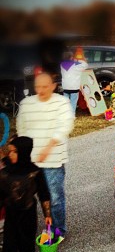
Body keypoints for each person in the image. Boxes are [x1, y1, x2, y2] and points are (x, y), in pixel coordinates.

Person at [16, 72, 74, 238]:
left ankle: (58, 229)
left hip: (53, 160)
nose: (40, 90)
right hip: (30, 161)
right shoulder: (27, 103)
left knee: (54, 198)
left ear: (53, 86)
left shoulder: (62, 102)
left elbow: (65, 126)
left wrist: (48, 147)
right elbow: (22, 129)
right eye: (37, 86)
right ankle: (33, 227)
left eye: (45, 86)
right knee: (27, 198)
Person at [0, 135, 52, 252]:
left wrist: (47, 215)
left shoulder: (35, 172)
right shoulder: (7, 171)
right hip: (11, 213)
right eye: (9, 151)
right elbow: (2, 193)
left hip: (27, 214)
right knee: (9, 245)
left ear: (23, 152)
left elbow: (44, 193)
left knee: (26, 245)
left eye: (14, 152)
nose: (10, 154)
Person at [60, 49, 88, 115]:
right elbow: (85, 65)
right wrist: (77, 60)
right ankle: (72, 115)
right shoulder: (76, 65)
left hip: (65, 86)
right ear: (71, 57)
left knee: (65, 102)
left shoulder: (61, 64)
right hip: (74, 86)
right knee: (73, 101)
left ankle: (65, 114)